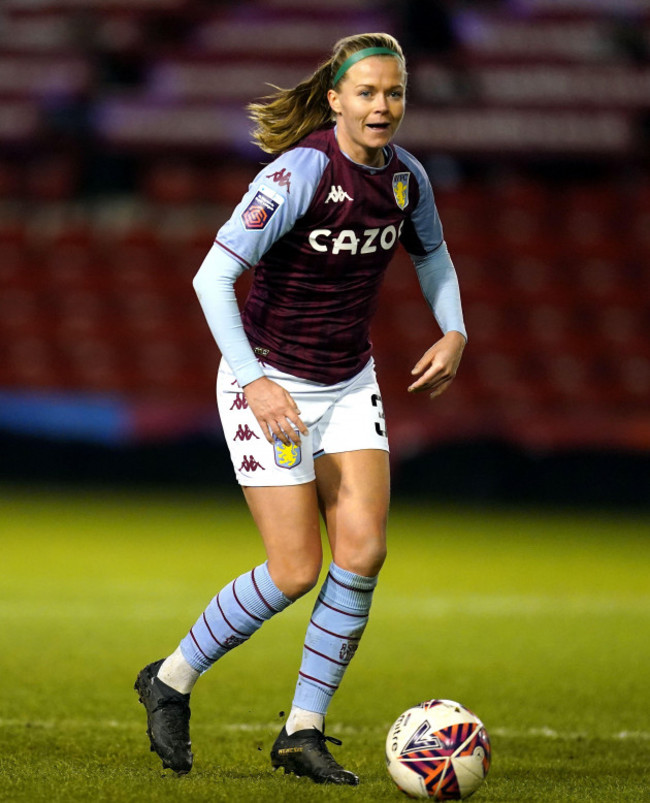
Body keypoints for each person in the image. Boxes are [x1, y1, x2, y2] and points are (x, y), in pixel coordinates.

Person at [134, 31, 466, 786]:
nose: (382, 106)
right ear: (336, 99)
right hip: (268, 381)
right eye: (368, 92)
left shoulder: (408, 178)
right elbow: (211, 278)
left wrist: (455, 330)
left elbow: (434, 256)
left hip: (348, 381)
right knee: (292, 570)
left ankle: (301, 730)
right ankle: (171, 678)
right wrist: (254, 381)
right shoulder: (302, 172)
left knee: (363, 551)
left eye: (394, 93)